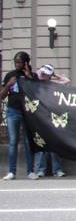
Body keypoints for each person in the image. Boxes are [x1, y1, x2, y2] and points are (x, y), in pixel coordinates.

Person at [1, 51, 39, 180]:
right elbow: (2, 96)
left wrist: (28, 75)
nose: (17, 64)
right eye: (15, 62)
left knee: (28, 142)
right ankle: (12, 171)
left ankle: (30, 171)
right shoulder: (10, 75)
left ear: (26, 63)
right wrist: (8, 85)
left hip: (28, 113)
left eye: (19, 62)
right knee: (13, 142)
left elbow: (38, 93)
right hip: (13, 112)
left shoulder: (32, 76)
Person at [34, 64, 69, 178]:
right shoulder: (36, 82)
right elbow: (30, 77)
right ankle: (40, 169)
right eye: (43, 73)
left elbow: (66, 80)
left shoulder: (53, 84)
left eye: (46, 73)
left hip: (52, 116)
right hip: (39, 115)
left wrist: (54, 75)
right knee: (40, 143)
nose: (43, 75)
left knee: (53, 144)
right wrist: (40, 72)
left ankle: (57, 169)